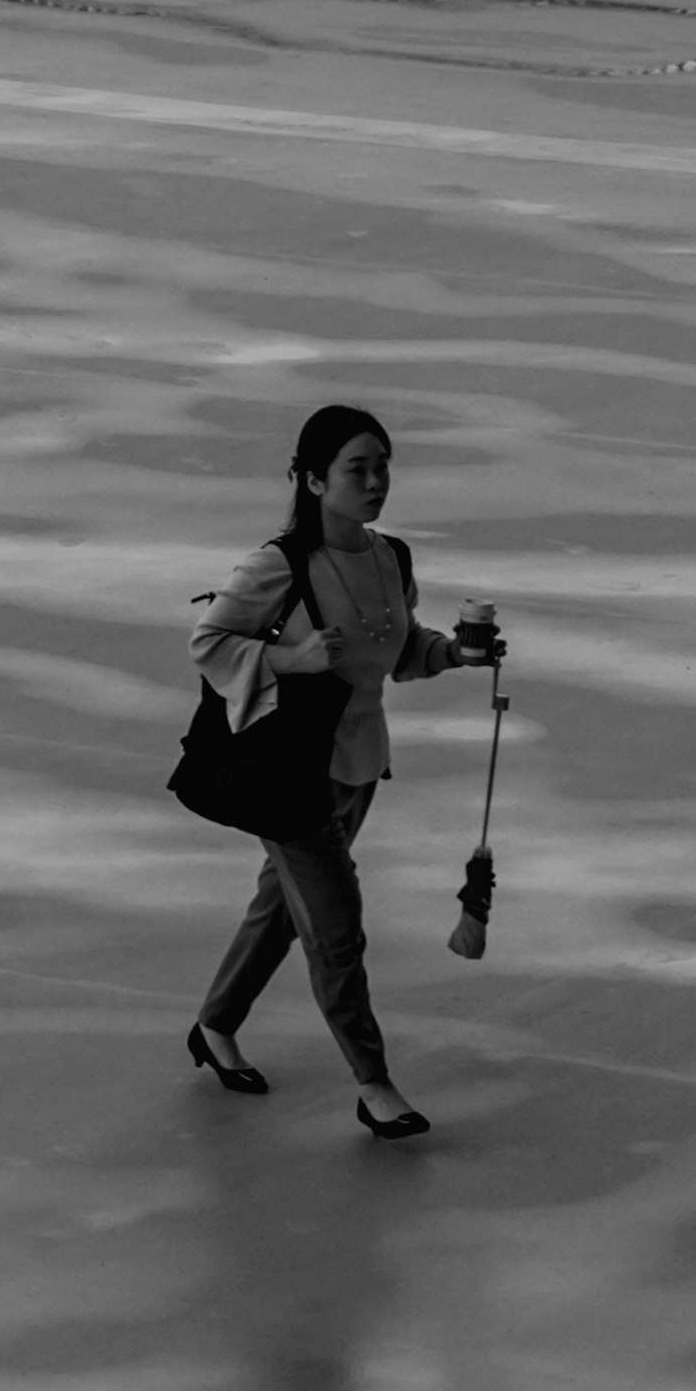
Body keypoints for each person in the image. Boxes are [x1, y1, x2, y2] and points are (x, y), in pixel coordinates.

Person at [183, 404, 501, 1139]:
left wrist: (457, 653)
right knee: (336, 932)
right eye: (357, 469)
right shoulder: (279, 565)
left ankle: (215, 1024)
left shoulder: (391, 558)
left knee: (280, 909)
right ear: (315, 479)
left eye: (382, 466)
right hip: (287, 777)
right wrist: (290, 659)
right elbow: (208, 641)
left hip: (357, 770)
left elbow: (402, 650)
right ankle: (374, 1082)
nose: (375, 481)